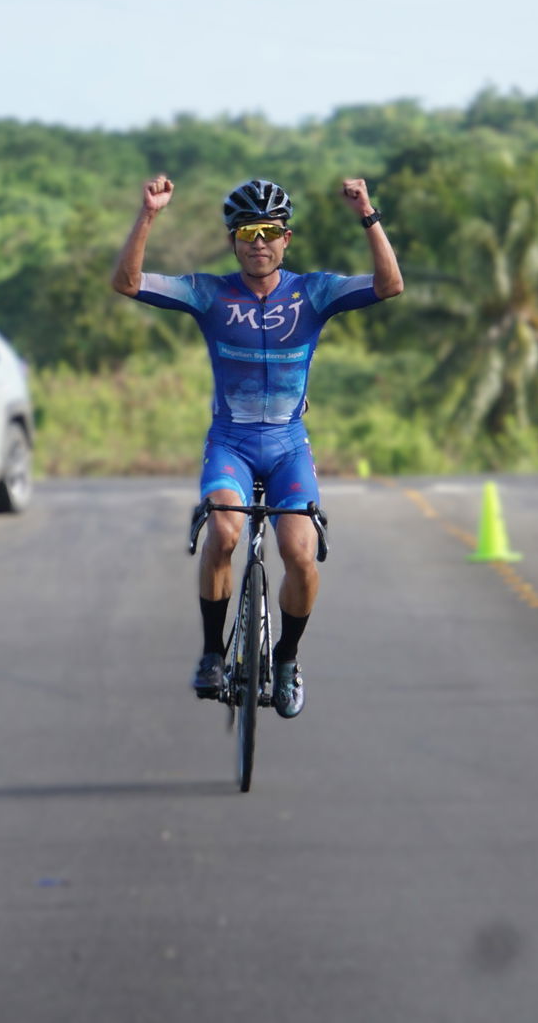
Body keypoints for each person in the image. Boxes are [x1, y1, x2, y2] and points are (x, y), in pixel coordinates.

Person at [110, 175, 403, 718]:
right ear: (233, 240)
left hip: (288, 445)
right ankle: (210, 653)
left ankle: (287, 660)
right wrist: (148, 214)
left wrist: (368, 213)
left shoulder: (313, 292)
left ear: (286, 238)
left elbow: (390, 285)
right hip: (232, 444)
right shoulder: (209, 293)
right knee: (223, 531)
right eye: (248, 230)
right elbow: (128, 283)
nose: (259, 241)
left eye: (270, 230)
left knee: (299, 553)